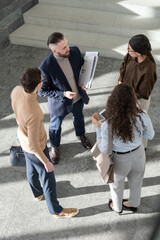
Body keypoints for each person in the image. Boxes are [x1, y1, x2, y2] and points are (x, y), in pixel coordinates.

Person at [11, 68, 79, 218]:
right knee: (48, 179)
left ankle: (37, 193)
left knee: (31, 169)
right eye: (42, 80)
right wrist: (46, 161)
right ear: (37, 87)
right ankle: (57, 210)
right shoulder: (33, 113)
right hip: (36, 148)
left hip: (23, 139)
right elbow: (35, 146)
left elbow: (16, 108)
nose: (44, 81)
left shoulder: (16, 90)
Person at [92, 84, 155, 214]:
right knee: (137, 181)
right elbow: (150, 135)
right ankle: (133, 203)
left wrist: (98, 127)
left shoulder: (108, 123)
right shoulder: (142, 115)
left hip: (120, 159)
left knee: (116, 186)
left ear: (113, 100)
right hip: (139, 154)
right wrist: (136, 134)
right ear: (133, 100)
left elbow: (103, 148)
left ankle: (117, 207)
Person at [38, 32, 92, 164]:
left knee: (79, 117)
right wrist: (63, 94)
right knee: (55, 126)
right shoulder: (46, 67)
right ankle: (54, 146)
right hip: (60, 103)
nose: (68, 48)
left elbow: (82, 68)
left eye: (67, 44)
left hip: (78, 97)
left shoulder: (74, 51)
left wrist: (85, 82)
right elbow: (42, 91)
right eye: (64, 48)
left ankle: (81, 135)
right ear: (54, 50)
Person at [118, 34, 157, 149]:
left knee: (139, 123)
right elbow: (124, 66)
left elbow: (144, 93)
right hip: (125, 93)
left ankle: (141, 147)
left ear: (139, 53)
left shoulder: (149, 69)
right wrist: (120, 81)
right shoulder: (131, 55)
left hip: (139, 100)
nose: (127, 50)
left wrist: (126, 96)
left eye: (130, 49)